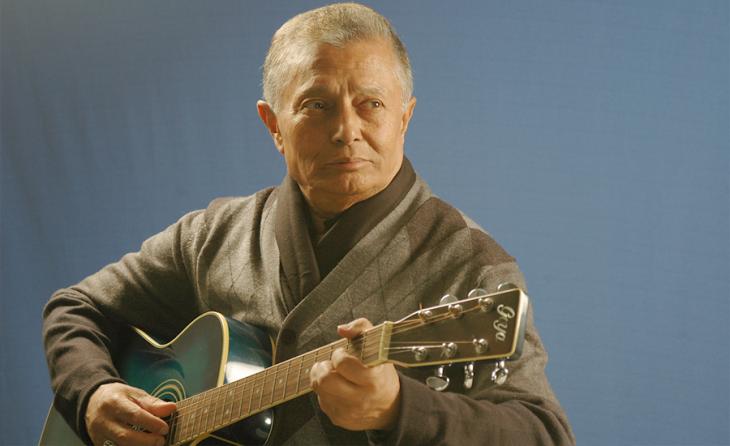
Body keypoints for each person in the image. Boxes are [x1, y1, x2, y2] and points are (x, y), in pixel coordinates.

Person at [43, 3, 575, 445]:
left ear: (405, 117)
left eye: (371, 104)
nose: (346, 130)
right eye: (317, 105)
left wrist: (400, 409)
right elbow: (76, 308)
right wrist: (92, 393)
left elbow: (545, 434)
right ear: (273, 124)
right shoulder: (214, 235)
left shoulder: (470, 263)